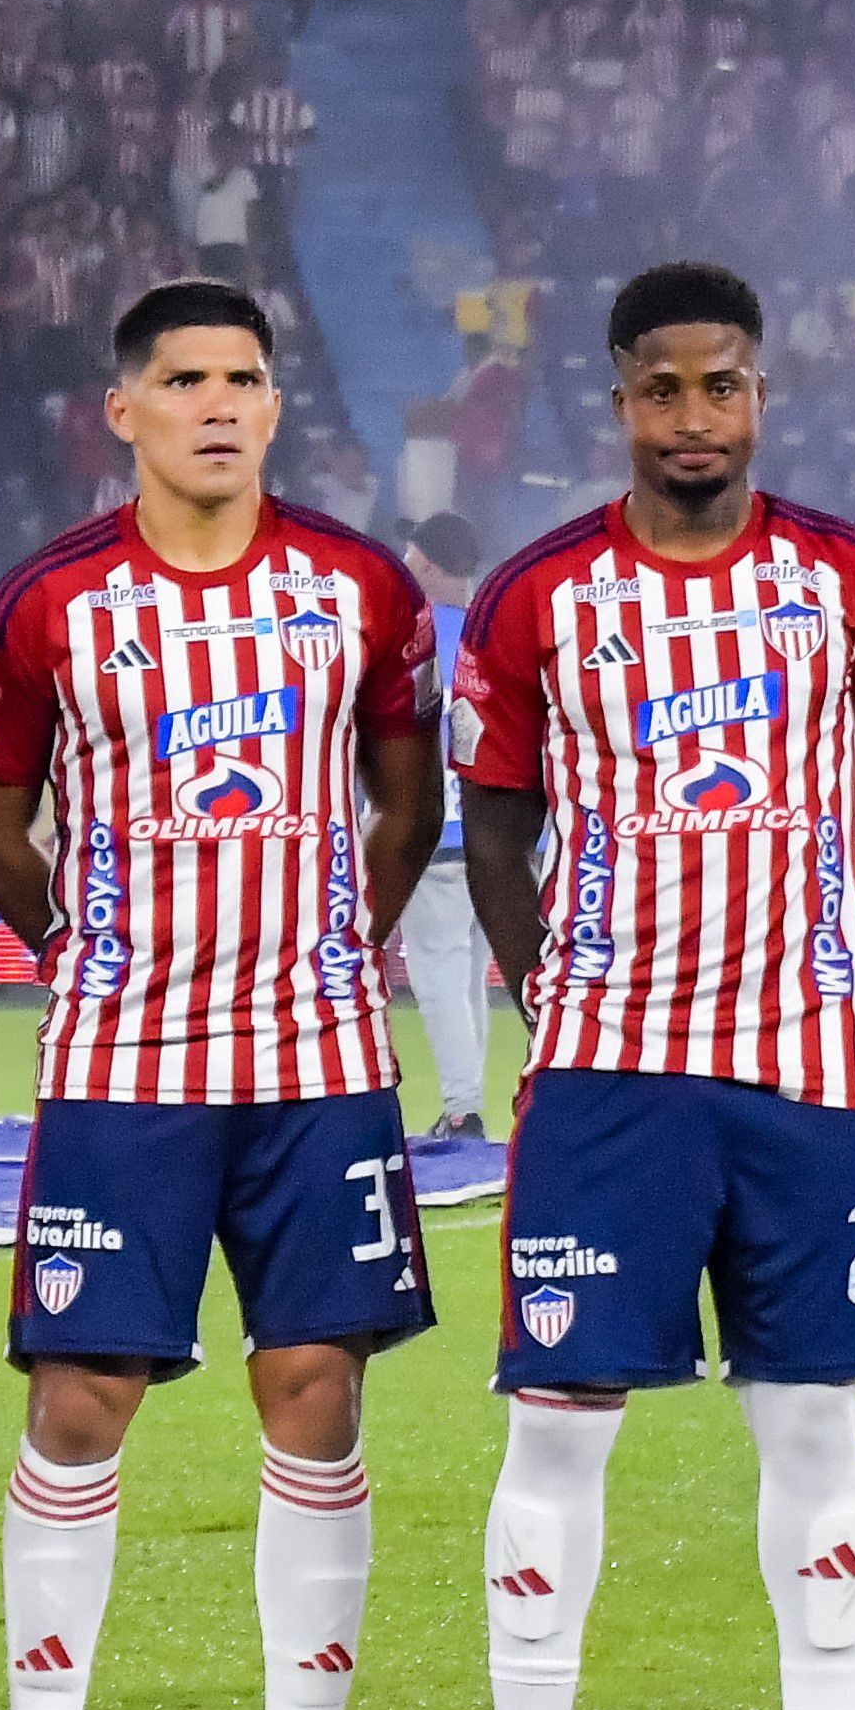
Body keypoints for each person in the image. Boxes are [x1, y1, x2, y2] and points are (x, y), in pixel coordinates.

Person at [441, 261, 855, 1710]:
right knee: (556, 1426)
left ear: (757, 393)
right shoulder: (537, 597)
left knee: (810, 1424)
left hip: (798, 1079)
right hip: (604, 1082)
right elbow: (495, 828)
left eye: (716, 384)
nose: (689, 416)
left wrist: (824, 951)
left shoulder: (852, 581)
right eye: (659, 388)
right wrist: (549, 985)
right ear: (618, 402)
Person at [0, 279, 441, 1710]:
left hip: (316, 1066)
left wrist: (332, 941)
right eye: (183, 379)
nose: (217, 402)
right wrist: (85, 946)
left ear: (274, 405)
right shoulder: (46, 606)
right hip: (121, 1068)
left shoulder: (358, 586)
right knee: (80, 1402)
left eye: (243, 377)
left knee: (317, 1391)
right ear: (126, 410)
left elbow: (404, 795)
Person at [390, 512, 498, 1199]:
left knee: (439, 975)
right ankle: (467, 1099)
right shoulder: (495, 633)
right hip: (500, 837)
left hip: (437, 835)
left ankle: (463, 1110)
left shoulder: (413, 639)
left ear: (426, 562)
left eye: (410, 550)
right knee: (466, 976)